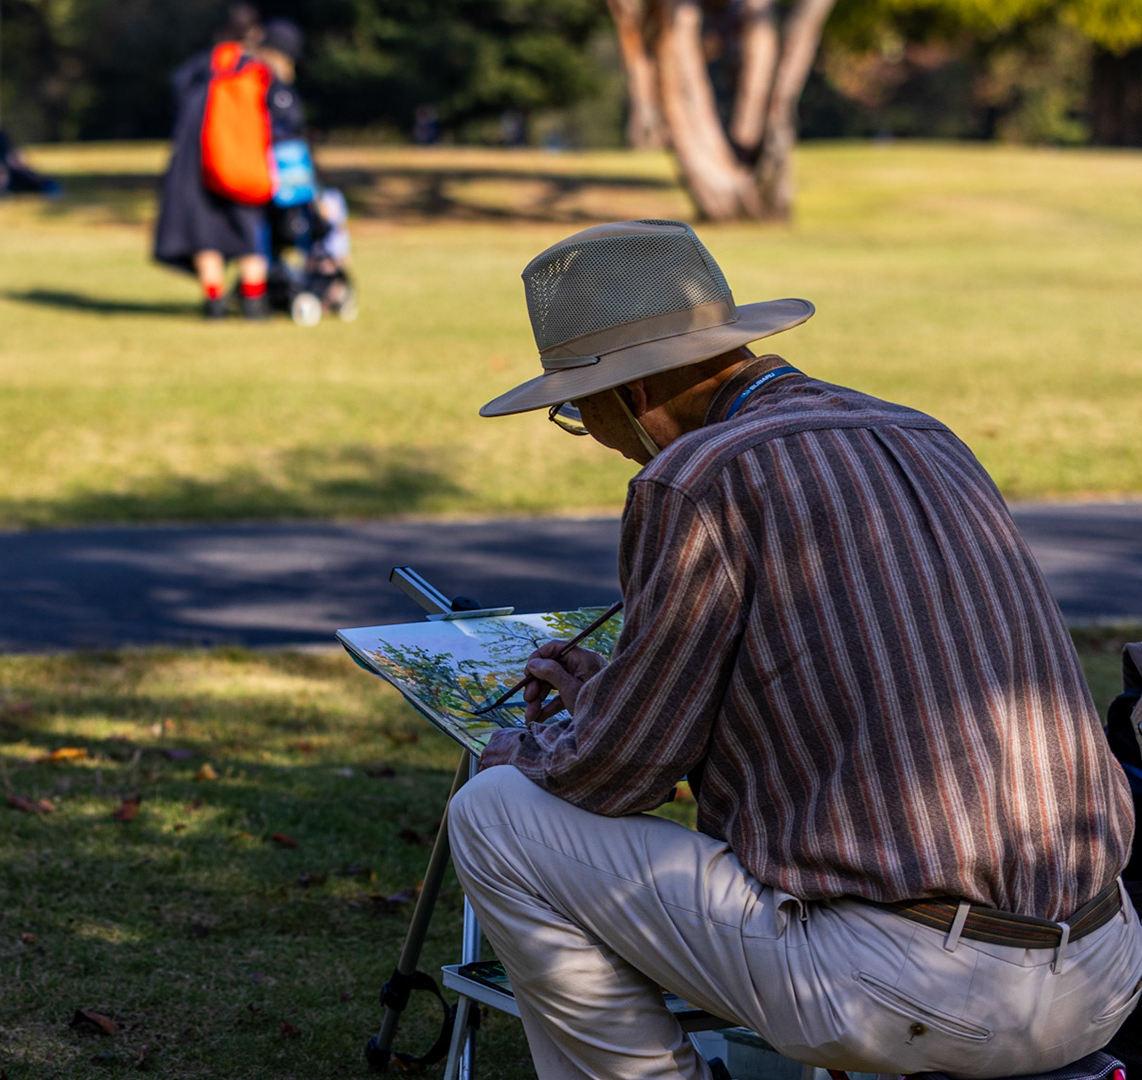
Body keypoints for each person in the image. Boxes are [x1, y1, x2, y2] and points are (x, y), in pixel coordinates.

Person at [450, 219, 1142, 1080]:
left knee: (494, 818)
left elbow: (616, 774)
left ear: (633, 389)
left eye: (574, 409)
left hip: (920, 989)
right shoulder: (922, 432)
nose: (592, 434)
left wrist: (524, 751)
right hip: (1105, 964)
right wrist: (616, 692)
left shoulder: (693, 477)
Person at [152, 10, 274, 320]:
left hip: (198, 164)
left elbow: (175, 94)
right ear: (255, 34)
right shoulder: (258, 71)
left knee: (206, 236)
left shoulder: (201, 67)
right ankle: (253, 302)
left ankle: (214, 302)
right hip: (245, 164)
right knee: (249, 235)